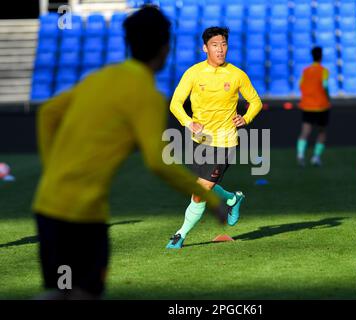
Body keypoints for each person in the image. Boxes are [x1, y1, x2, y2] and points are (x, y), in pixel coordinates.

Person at [32, 6, 224, 300]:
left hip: (47, 205)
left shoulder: (102, 76)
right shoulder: (146, 94)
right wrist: (211, 200)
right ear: (165, 48)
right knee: (84, 293)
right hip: (83, 215)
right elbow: (158, 162)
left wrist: (51, 167)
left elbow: (47, 113)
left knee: (60, 291)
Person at [166, 26, 263, 249]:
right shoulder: (193, 73)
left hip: (225, 141)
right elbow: (175, 104)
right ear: (205, 48)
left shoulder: (237, 75)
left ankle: (180, 235)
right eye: (215, 45)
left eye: (224, 44)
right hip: (199, 140)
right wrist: (189, 122)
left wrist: (246, 118)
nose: (220, 50)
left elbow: (256, 101)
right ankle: (232, 199)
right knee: (199, 185)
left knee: (199, 192)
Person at [297, 46, 331, 167]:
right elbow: (325, 85)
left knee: (305, 131)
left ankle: (300, 155)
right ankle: (316, 157)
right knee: (321, 132)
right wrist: (328, 97)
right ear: (321, 56)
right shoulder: (324, 70)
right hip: (321, 105)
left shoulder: (306, 71)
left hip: (307, 105)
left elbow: (300, 85)